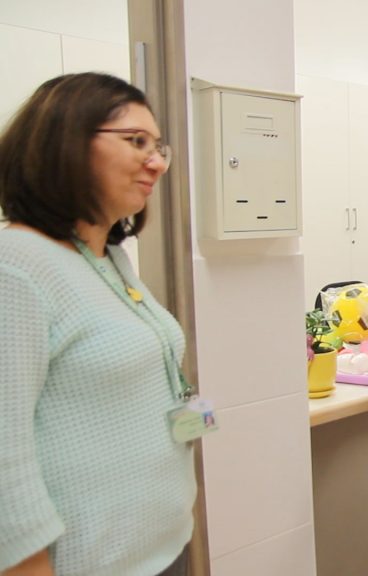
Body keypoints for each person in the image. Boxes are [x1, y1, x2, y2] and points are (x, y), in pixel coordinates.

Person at [0, 73, 197, 576]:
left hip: (162, 550)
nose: (157, 162)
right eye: (136, 141)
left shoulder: (109, 259)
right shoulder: (16, 265)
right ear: (64, 141)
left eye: (159, 147)